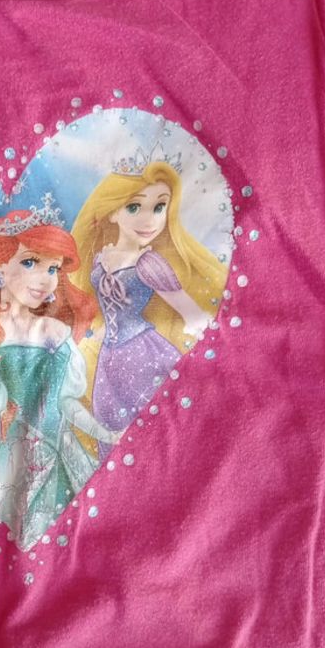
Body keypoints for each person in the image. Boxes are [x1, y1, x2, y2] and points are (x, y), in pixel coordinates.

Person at [0, 195, 120, 551]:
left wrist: (105, 433)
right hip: (11, 468)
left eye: (53, 269)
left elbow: (67, 403)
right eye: (31, 262)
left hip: (63, 456)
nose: (45, 280)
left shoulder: (57, 333)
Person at [70, 160, 228, 457]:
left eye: (159, 207)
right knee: (113, 424)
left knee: (157, 425)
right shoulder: (102, 257)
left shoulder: (149, 263)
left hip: (144, 355)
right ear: (113, 211)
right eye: (134, 207)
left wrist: (211, 346)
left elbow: (191, 313)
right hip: (109, 360)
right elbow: (107, 309)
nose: (149, 220)